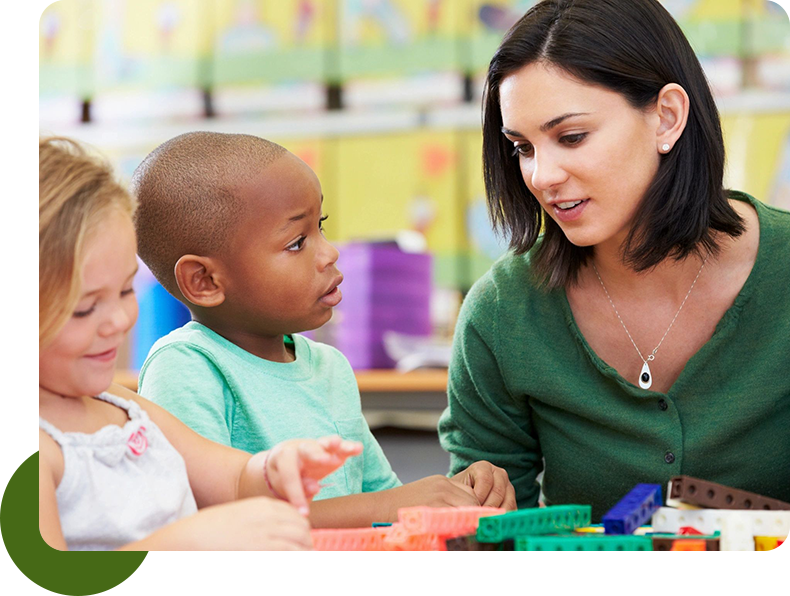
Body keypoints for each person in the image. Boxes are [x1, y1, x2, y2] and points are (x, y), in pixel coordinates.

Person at [438, 0, 790, 522]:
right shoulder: (502, 313)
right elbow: (490, 538)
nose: (541, 176)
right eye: (522, 147)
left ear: (667, 118)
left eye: (572, 137)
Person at [130, 132, 516, 528]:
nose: (330, 252)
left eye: (322, 226)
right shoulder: (186, 366)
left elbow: (382, 505)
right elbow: (213, 523)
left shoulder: (329, 366)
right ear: (205, 281)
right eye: (297, 242)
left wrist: (459, 494)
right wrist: (394, 506)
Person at [38, 136, 364, 551]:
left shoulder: (124, 409)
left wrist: (274, 467)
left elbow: (230, 480)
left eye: (124, 292)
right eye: (85, 309)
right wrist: (179, 544)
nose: (118, 321)